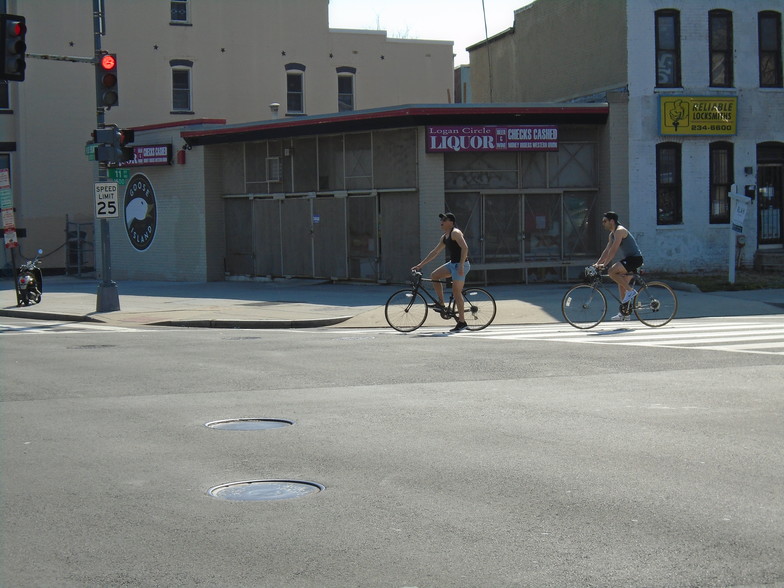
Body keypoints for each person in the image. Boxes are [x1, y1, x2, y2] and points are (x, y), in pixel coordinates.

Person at [412, 212, 471, 332]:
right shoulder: (445, 237)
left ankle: (462, 322)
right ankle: (441, 303)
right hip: (452, 264)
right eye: (441, 220)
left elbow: (465, 248)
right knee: (435, 275)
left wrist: (460, 265)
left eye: (444, 220)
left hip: (461, 265)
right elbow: (435, 252)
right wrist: (420, 265)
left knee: (456, 293)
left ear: (451, 222)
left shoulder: (456, 233)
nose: (441, 222)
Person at [593, 211, 644, 321]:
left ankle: (631, 291)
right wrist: (598, 263)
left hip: (635, 259)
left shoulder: (620, 231)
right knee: (621, 284)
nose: (603, 223)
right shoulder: (612, 234)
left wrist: (605, 265)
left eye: (605, 221)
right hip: (630, 260)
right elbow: (607, 251)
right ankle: (625, 313)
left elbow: (613, 250)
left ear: (612, 221)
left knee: (611, 271)